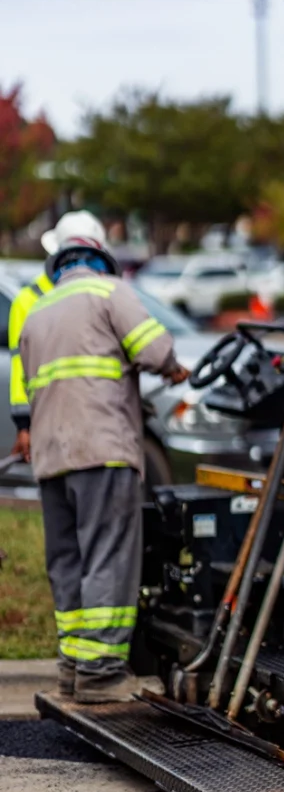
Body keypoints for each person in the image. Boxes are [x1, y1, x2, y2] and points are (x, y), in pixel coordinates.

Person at [19, 234, 189, 703]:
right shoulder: (109, 292)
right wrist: (173, 368)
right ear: (101, 263)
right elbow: (154, 350)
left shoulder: (37, 312)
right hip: (102, 450)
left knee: (67, 560)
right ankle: (101, 673)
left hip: (52, 458)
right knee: (107, 557)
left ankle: (73, 668)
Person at [9, 211, 108, 461]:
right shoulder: (27, 300)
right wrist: (24, 424)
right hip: (49, 417)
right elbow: (19, 366)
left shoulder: (100, 295)